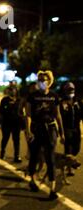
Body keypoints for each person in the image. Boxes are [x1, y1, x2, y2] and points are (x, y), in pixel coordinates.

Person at [26, 70, 65, 200]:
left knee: (50, 158)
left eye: (45, 80)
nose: (43, 82)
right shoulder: (32, 96)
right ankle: (32, 180)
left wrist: (61, 132)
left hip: (50, 129)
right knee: (35, 156)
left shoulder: (54, 96)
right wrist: (28, 131)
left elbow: (58, 115)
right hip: (36, 129)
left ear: (50, 81)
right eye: (40, 80)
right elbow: (28, 115)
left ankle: (52, 189)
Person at [59, 82, 82, 176]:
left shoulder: (78, 101)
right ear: (65, 91)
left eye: (72, 89)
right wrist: (61, 132)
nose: (71, 91)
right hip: (66, 128)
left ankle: (70, 161)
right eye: (69, 90)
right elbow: (59, 116)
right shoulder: (62, 102)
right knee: (68, 148)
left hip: (76, 127)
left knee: (77, 148)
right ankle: (69, 168)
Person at [0, 86, 23, 163]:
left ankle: (16, 156)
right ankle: (2, 152)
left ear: (16, 91)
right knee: (5, 138)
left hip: (16, 123)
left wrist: (23, 124)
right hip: (6, 122)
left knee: (16, 140)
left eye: (13, 90)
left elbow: (22, 113)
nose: (11, 91)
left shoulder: (20, 100)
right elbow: (0, 112)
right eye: (10, 90)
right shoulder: (4, 100)